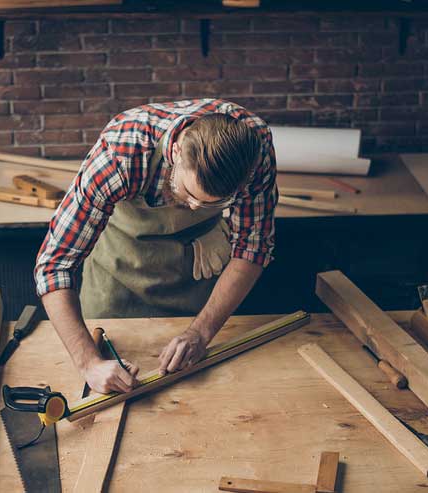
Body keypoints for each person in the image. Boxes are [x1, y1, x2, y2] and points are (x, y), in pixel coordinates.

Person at [34, 99, 277, 394]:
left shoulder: (255, 148)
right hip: (118, 281)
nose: (194, 208)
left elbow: (254, 247)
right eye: (188, 193)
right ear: (175, 152)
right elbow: (54, 264)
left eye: (213, 204)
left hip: (196, 282)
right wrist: (89, 364)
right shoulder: (122, 152)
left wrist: (200, 332)